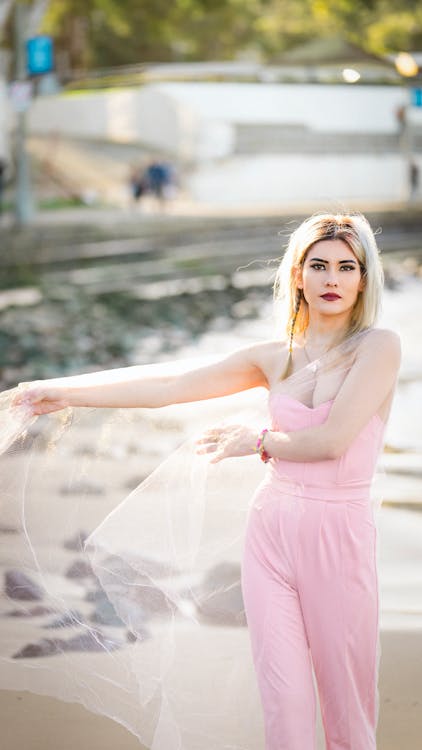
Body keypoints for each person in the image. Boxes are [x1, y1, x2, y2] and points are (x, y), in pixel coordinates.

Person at [7, 212, 401, 750]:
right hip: (271, 538)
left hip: (340, 537)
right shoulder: (273, 357)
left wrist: (255, 441)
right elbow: (172, 382)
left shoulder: (379, 347)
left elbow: (332, 441)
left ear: (362, 279)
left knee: (348, 711)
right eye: (319, 265)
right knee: (283, 708)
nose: (332, 279)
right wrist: (60, 392)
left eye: (346, 267)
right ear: (297, 276)